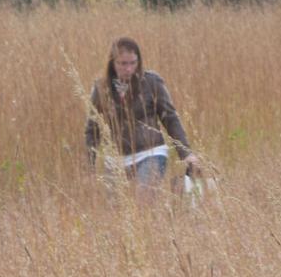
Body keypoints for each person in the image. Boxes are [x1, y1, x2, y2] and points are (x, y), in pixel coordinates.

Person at [85, 36, 201, 188]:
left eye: (133, 63)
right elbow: (92, 130)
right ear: (112, 63)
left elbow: (170, 119)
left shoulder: (151, 82)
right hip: (115, 158)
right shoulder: (101, 88)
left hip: (150, 152)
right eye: (122, 64)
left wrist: (186, 154)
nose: (128, 69)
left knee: (144, 202)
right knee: (115, 210)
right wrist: (89, 167)